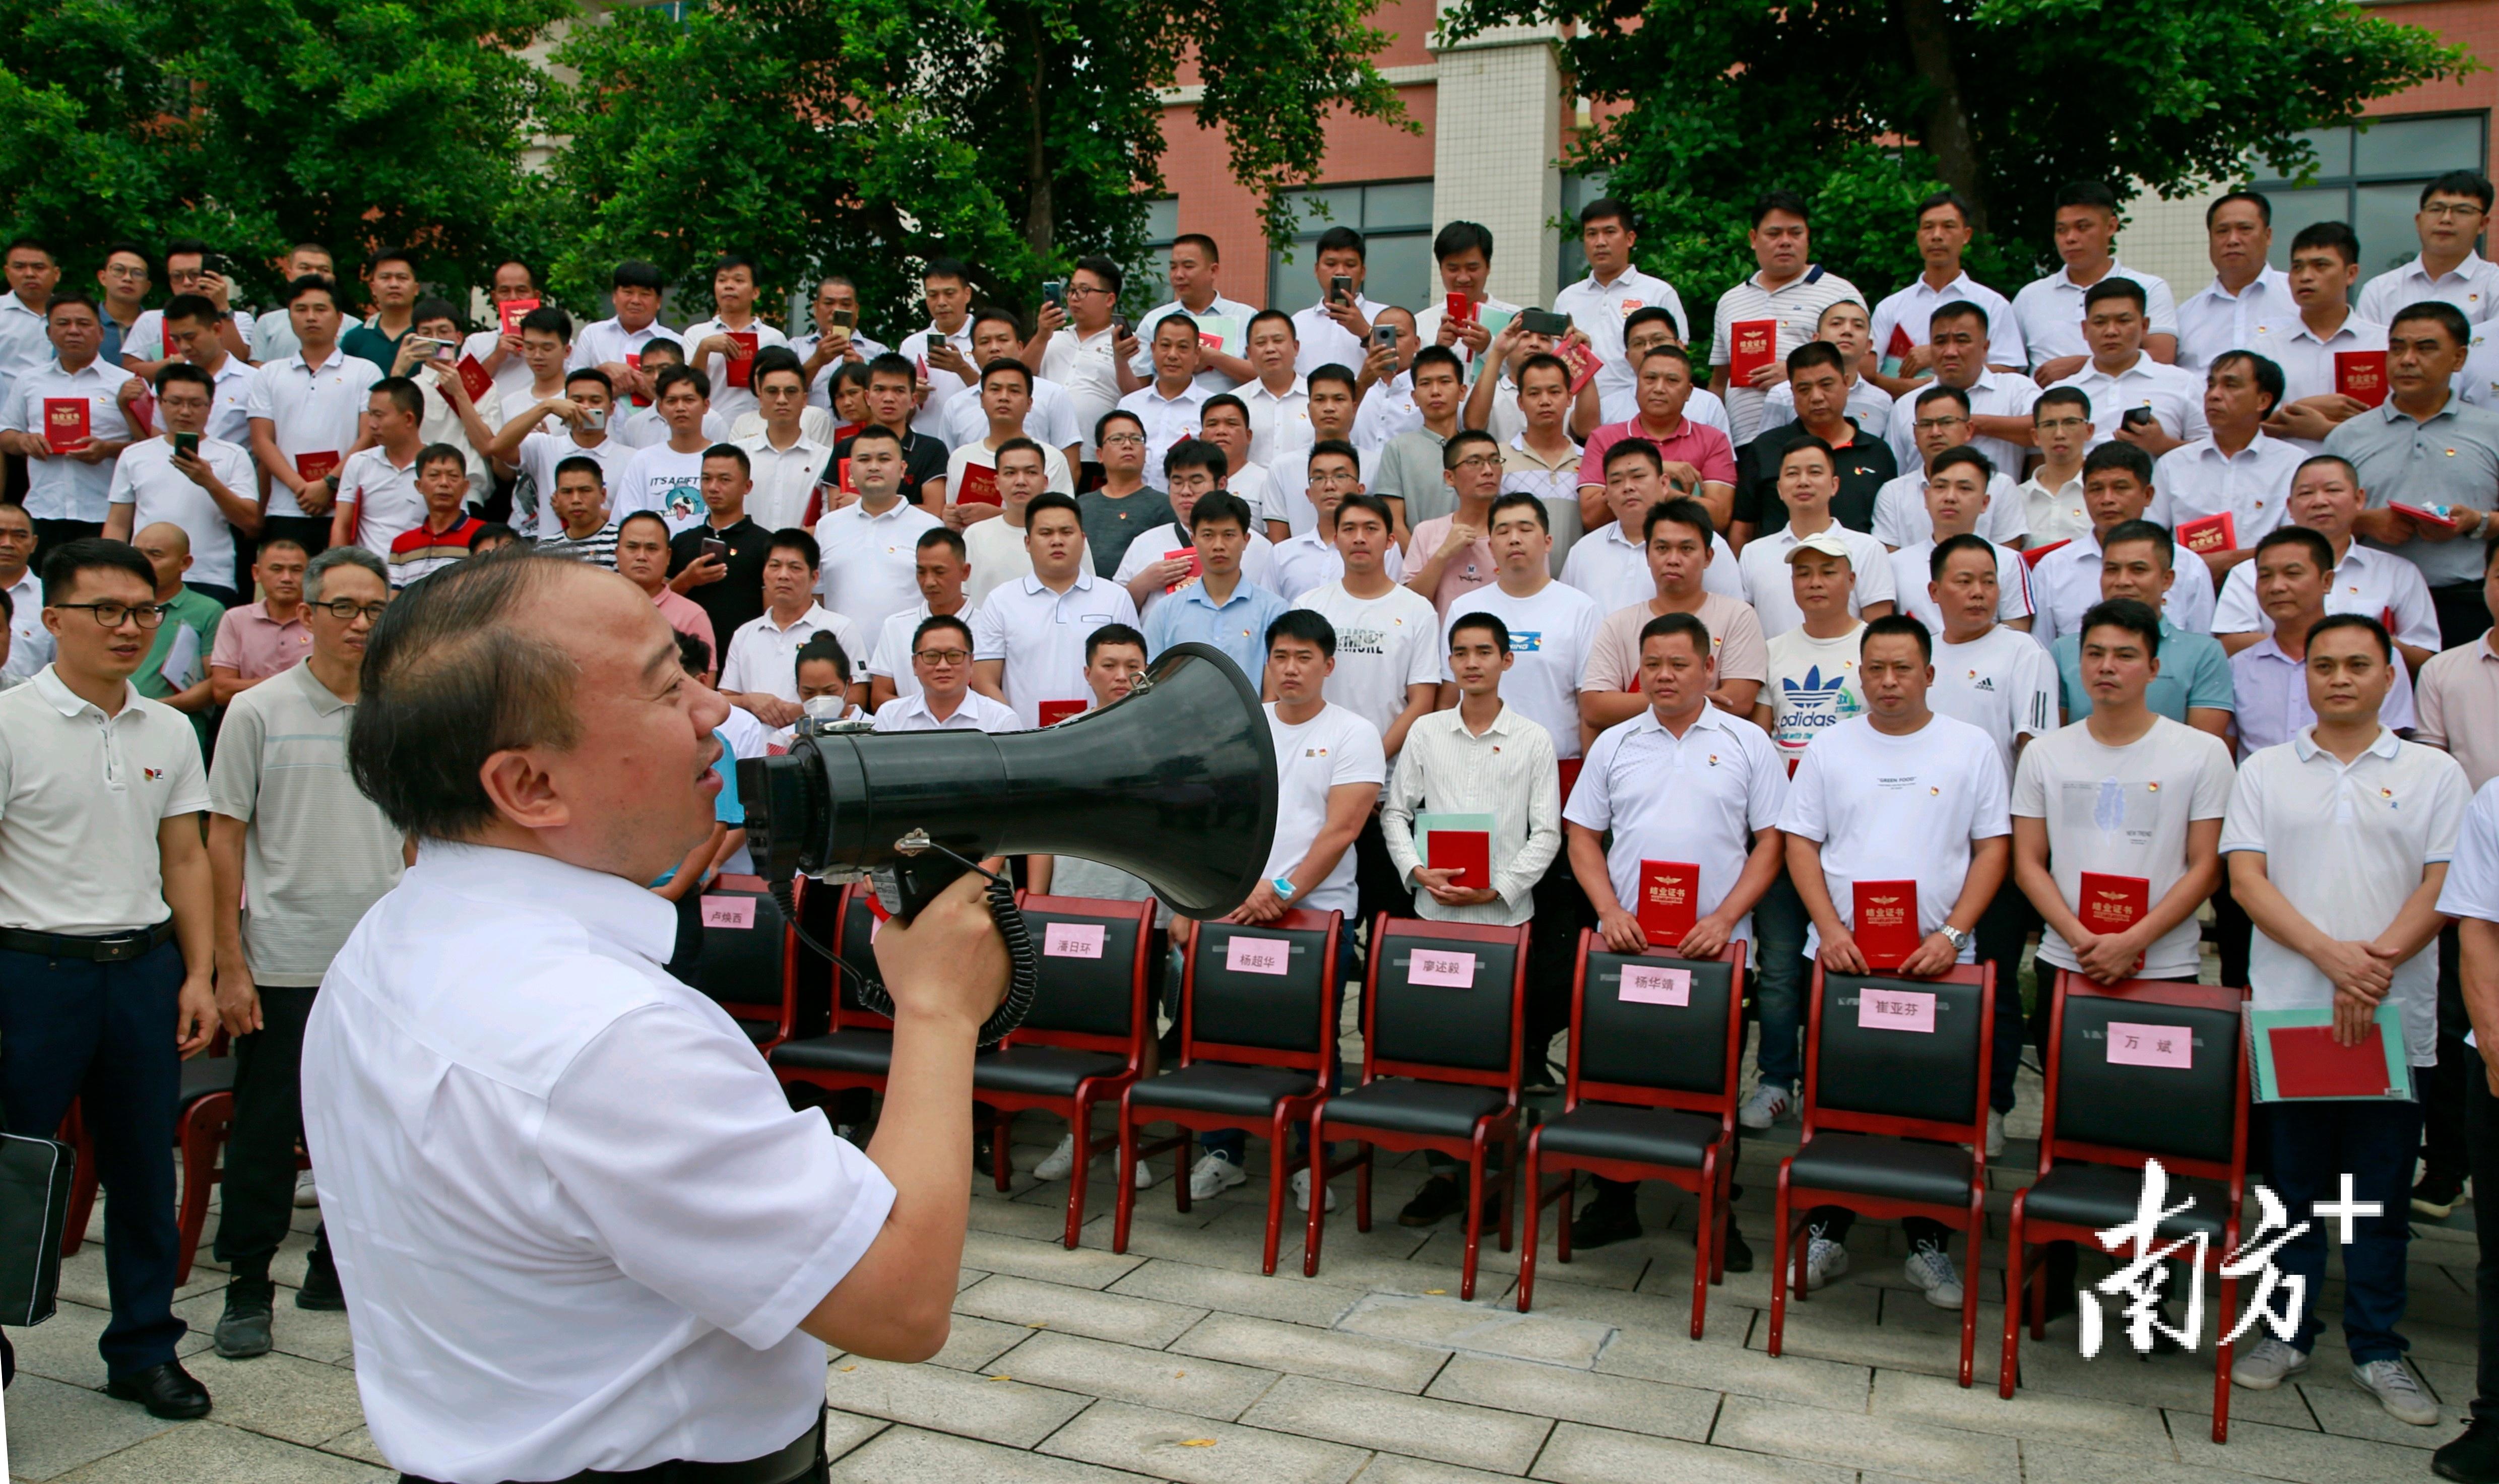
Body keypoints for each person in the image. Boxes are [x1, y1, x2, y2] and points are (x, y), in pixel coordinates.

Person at [302, 552, 1010, 1480]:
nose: (713, 711)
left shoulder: (389, 940)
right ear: (529, 787)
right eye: (665, 686)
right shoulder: (609, 1035)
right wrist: (938, 1010)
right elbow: (896, 1303)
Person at [2220, 613, 2463, 1425]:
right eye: (2322, 665)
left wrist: (2372, 967)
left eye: (2356, 664)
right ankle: (2285, 1331)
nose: (2338, 678)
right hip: (2292, 1013)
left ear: (2389, 675)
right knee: (2288, 1189)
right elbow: (2247, 883)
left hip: (2392, 1018)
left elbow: (2443, 884)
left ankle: (2376, 1345)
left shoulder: (2433, 774)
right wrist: (2332, 960)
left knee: (2378, 1188)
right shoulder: (2265, 772)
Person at [0, 538, 218, 1420]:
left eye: (145, 612)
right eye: (108, 613)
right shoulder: (10, 722)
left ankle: (143, 1346)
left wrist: (200, 972)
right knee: (12, 1163)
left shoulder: (167, 725)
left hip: (141, 972)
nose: (131, 629)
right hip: (30, 972)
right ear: (53, 620)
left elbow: (187, 857)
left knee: (139, 1168)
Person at [1777, 614, 2012, 1301]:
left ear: (1929, 674)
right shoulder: (1830, 746)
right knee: (1840, 1101)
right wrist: (1830, 929)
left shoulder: (1968, 748)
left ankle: (1927, 1243)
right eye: (1874, 668)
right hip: (1846, 960)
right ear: (1858, 675)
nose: (1886, 682)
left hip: (1935, 963)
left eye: (1901, 668)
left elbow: (1991, 847)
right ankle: (1826, 1231)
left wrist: (1952, 935)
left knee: (1926, 1104)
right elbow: (1800, 844)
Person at [204, 546, 402, 1361]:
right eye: (344, 608)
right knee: (265, 1128)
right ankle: (248, 1285)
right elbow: (223, 837)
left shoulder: (401, 713)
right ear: (307, 615)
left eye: (376, 610)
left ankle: (333, 1266)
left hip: (379, 966)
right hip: (283, 957)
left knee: (371, 1128)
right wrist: (229, 962)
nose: (360, 624)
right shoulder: (257, 711)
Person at [1563, 609, 1784, 1253]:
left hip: (1715, 949)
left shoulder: (1747, 742)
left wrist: (1723, 918)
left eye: (1679, 663)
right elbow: (1583, 835)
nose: (1664, 675)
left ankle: (1716, 1212)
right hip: (1630, 943)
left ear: (1709, 668)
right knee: (1619, 1076)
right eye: (1652, 664)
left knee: (1710, 1082)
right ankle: (1614, 1201)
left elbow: (1772, 841)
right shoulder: (1616, 742)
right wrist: (1608, 910)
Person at [1189, 608, 1384, 1208]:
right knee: (1226, 1030)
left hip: (1316, 911)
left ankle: (1309, 1159)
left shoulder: (1355, 732)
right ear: (1267, 663)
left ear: (1329, 664)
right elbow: (1219, 814)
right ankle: (1223, 1151)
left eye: (1305, 657)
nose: (1291, 668)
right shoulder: (1246, 727)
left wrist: (1283, 889)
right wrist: (1241, 889)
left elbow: (1342, 827)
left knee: (1310, 1038)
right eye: (1281, 657)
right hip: (1241, 904)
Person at [1379, 610, 1561, 1226]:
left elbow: (1547, 834)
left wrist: (1498, 889)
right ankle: (1442, 1175)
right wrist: (1417, 873)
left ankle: (1491, 1177)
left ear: (1507, 660)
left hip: (1503, 926)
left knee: (1495, 1052)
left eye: (1485, 651)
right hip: (1435, 915)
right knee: (1435, 1051)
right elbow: (1395, 814)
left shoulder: (1535, 738)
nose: (1473, 662)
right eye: (1461, 652)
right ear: (1450, 663)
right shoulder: (1427, 732)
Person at [1923, 531, 2058, 1147]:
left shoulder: (2022, 652)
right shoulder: (1920, 655)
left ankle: (1996, 1104)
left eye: (1988, 582)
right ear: (1934, 591)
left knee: (1998, 984)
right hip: (1922, 848)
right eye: (1964, 581)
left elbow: (2032, 751)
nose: (1978, 594)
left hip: (1993, 851)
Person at [2334, 301, 2499, 648]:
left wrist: (2477, 521)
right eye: (2396, 349)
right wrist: (2362, 522)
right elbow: (2309, 524)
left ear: (2459, 358)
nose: (2407, 360)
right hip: (2369, 603)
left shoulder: (2491, 430)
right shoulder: (2346, 437)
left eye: (2425, 348)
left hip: (2465, 602)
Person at [2210, 453, 2439, 669]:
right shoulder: (2250, 572)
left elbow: (2424, 657)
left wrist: (2370, 642)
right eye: (2306, 493)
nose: (2320, 502)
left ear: (2359, 499)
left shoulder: (2398, 572)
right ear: (2290, 507)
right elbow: (2230, 642)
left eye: (2332, 490)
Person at [1579, 497, 1769, 738]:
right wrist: (1689, 700)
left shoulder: (1737, 616)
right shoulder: (1618, 624)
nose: (1673, 559)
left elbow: (1739, 700)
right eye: (1662, 548)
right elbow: (1595, 708)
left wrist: (1646, 702)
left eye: (1686, 549)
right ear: (1647, 556)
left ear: (1709, 556)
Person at [2230, 526, 2418, 757]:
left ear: (2327, 580)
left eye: (2293, 573)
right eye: (2265, 576)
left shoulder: (2379, 658)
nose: (2277, 587)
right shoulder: (2238, 667)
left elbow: (2388, 749)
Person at [2047, 518, 2236, 740]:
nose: (2123, 581)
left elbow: (2204, 751)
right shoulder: (2064, 651)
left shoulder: (2203, 653)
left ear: (2167, 580)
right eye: (2112, 570)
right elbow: (2054, 742)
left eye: (2138, 570)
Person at [1709, 190, 1864, 444]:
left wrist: (1798, 375)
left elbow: (1863, 367)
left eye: (1796, 233)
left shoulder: (1840, 293)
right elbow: (1719, 383)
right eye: (1774, 234)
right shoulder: (1730, 301)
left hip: (1818, 441)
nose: (1785, 242)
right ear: (1753, 238)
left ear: (1808, 237)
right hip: (1745, 443)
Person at [246, 276, 386, 557]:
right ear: (290, 316)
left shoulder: (365, 372)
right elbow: (262, 442)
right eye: (301, 309)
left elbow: (370, 436)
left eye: (321, 309)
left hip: (345, 506)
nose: (311, 317)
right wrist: (303, 488)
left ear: (339, 318)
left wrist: (329, 484)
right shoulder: (269, 374)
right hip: (285, 507)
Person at [971, 491, 1138, 727]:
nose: (1057, 541)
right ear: (1028, 543)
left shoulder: (1115, 598)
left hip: (1102, 737)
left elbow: (1133, 673)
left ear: (1083, 539)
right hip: (1025, 742)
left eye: (1066, 532)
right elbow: (984, 679)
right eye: (1046, 533)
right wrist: (1014, 731)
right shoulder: (1001, 601)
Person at [2027, 442, 2216, 644]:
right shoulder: (2053, 568)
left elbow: (2200, 648)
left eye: (2120, 488)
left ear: (2148, 495)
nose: (2107, 500)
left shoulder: (2187, 566)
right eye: (2096, 489)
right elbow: (2043, 650)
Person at [103, 361, 259, 604]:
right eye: (175, 402)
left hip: (211, 578)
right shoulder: (135, 455)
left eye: (196, 404)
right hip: (145, 577)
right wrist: (111, 573)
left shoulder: (233, 454)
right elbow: (117, 523)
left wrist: (209, 482)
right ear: (159, 404)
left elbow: (250, 521)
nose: (185, 412)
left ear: (210, 407)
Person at [2150, 351, 2304, 588]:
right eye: (2211, 385)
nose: (2214, 395)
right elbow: (2151, 540)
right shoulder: (2173, 464)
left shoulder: (2293, 464)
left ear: (2263, 401)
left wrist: (2231, 561)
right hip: (2184, 587)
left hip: (2264, 587)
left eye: (2231, 385)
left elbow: (2297, 544)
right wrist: (2194, 567)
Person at [1, 293, 137, 548]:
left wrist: (108, 450)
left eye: (84, 324)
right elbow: (6, 434)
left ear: (100, 333)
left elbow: (151, 445)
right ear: (49, 332)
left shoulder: (127, 384)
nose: (74, 331)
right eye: (63, 324)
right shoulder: (29, 381)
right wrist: (24, 441)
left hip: (106, 513)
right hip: (43, 509)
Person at [2012, 180, 2181, 380]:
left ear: (2111, 227)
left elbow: (2161, 358)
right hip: (2048, 408)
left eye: (2082, 227)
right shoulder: (2030, 296)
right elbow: (2011, 366)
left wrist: (2079, 366)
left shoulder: (2149, 288)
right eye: (2062, 230)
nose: (2070, 238)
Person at [1734, 437, 1898, 636]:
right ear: (1779, 488)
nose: (1803, 482)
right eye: (1793, 474)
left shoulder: (1867, 549)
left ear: (1834, 485)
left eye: (1815, 472)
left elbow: (1879, 634)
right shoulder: (1754, 553)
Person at [1737, 340, 1897, 539]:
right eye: (1804, 389)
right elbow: (1743, 527)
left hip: (1860, 566)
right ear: (1793, 392)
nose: (1817, 397)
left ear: (1846, 383)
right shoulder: (1767, 448)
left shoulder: (1877, 452)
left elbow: (1892, 529)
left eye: (1826, 385)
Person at [1563, 438, 1744, 612]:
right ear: (1607, 494)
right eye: (1616, 481)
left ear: (1664, 483)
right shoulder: (1583, 551)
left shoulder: (1706, 543)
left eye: (1638, 476)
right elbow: (1567, 617)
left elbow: (1731, 616)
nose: (1628, 487)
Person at [1869, 191, 2026, 389]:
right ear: (1918, 237)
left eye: (1948, 227)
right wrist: (1922, 389)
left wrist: (1935, 357)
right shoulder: (1890, 308)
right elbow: (1869, 374)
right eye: (1928, 227)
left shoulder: (1993, 304)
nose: (1937, 236)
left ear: (1967, 235)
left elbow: (2008, 369)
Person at [2256, 220, 2387, 454]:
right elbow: (2242, 426)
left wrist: (2325, 430)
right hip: (2286, 483)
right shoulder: (2263, 351)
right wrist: (2299, 409)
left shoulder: (2385, 345)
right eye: (2297, 267)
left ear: (2351, 274)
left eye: (2321, 266)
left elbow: (2403, 425)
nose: (2306, 277)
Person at [1578, 346, 1739, 534]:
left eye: (1672, 380)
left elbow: (1719, 517)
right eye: (1650, 379)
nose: (1659, 388)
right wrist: (1658, 471)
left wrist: (1654, 485)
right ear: (1637, 385)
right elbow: (1591, 517)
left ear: (1688, 392)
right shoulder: (1603, 438)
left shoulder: (1713, 440)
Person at [1554, 197, 1688, 409]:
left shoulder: (1659, 292)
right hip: (1580, 411)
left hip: (1641, 410)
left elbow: (1678, 359)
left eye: (1609, 232)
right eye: (1591, 234)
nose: (1600, 242)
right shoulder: (1567, 298)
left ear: (1630, 238)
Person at [720, 529, 863, 729]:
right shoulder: (745, 633)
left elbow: (858, 695)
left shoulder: (841, 628)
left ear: (814, 578)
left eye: (795, 568)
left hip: (816, 745)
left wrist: (801, 712)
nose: (783, 576)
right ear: (764, 573)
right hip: (754, 749)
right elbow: (725, 698)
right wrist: (749, 701)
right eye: (775, 566)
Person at [1116, 436, 1276, 612]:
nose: (1185, 491)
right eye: (1177, 482)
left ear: (1221, 484)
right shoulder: (1144, 543)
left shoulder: (1259, 548)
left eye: (1196, 482)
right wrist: (1144, 583)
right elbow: (1115, 611)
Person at [2047, 278, 2207, 455]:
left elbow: (2212, 453)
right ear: (2085, 329)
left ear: (2145, 326)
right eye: (2100, 323)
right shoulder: (2060, 393)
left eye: (2123, 321)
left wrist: (2163, 445)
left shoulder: (2183, 383)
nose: (2111, 332)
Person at [1752, 531, 1869, 772]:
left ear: (1851, 580)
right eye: (1804, 574)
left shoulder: (1873, 646)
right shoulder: (1773, 650)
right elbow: (1760, 738)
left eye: (1828, 573)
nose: (1815, 583)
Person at [814, 422, 943, 640]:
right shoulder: (827, 526)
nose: (874, 467)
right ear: (851, 470)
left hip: (908, 659)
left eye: (884, 459)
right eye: (864, 460)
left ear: (903, 469)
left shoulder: (930, 528)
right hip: (842, 660)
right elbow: (817, 596)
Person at [1141, 491, 1288, 677]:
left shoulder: (1274, 611)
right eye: (1208, 535)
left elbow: (1275, 688)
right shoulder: (1166, 612)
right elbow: (1151, 681)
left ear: (1246, 540)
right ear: (1194, 540)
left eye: (1229, 535)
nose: (1218, 545)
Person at [1867, 383, 2029, 551]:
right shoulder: (1894, 493)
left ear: (1968, 430)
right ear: (1915, 434)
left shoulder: (2000, 486)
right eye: (1926, 424)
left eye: (1946, 422)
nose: (1935, 432)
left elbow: (2008, 558)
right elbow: (1890, 562)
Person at [1889, 451, 2033, 637]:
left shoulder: (2009, 561)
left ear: (1985, 503)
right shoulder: (1895, 563)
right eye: (1940, 487)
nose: (1950, 497)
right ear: (1926, 497)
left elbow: (2017, 637)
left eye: (1964, 489)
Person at [489, 366, 633, 542]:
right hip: (552, 558)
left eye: (595, 401)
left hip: (607, 558)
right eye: (577, 400)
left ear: (612, 408)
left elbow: (635, 519)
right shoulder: (544, 446)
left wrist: (583, 511)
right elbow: (498, 447)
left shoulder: (632, 458)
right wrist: (546, 406)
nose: (585, 407)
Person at [2356, 171, 2499, 329]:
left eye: (2462, 211)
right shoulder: (2380, 291)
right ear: (2418, 221)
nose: (2446, 219)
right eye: (2436, 209)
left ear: (2483, 225)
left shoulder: (2493, 285)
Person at [666, 444, 776, 644]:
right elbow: (658, 605)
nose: (713, 487)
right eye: (706, 479)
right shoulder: (682, 542)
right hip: (688, 658)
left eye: (725, 480)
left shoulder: (766, 545)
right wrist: (687, 580)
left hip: (744, 655)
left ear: (747, 486)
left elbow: (773, 615)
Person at [1272, 440, 1407, 602]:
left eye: (1340, 476)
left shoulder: (1383, 549)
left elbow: (1391, 603)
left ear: (1360, 490)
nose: (1329, 486)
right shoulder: (1282, 554)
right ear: (1309, 494)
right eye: (1319, 478)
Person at [128, 523, 223, 750]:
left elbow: (217, 683)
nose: (143, 563)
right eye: (137, 553)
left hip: (176, 729)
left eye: (155, 555)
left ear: (185, 563)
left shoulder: (207, 611)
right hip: (115, 722)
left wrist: (156, 707)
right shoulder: (116, 606)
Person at [1493, 350, 1589, 569]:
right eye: (1534, 393)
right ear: (1520, 401)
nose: (1545, 401)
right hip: (1515, 582)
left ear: (1570, 398)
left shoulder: (1589, 461)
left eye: (1554, 392)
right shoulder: (1498, 459)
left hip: (1575, 585)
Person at [2177, 191, 2292, 369]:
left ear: (2268, 236)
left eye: (2245, 229)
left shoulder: (2298, 299)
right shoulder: (2185, 317)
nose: (2232, 240)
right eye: (2222, 231)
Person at [946, 359, 1075, 516]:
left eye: (1014, 391)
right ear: (982, 400)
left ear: (1029, 404)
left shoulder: (1052, 459)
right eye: (995, 390)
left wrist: (996, 517)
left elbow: (1061, 520)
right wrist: (950, 521)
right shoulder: (960, 457)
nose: (1004, 398)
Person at [1752, 298, 1893, 439]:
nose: (1847, 331)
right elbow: (1767, 450)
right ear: (1816, 339)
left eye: (1858, 326)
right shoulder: (1782, 395)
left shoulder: (1882, 402)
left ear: (1869, 346)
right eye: (1836, 324)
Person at [825, 353, 948, 512]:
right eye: (880, 390)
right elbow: (836, 512)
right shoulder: (845, 448)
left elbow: (934, 511)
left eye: (899, 391)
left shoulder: (931, 450)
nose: (889, 398)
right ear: (868, 397)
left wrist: (867, 504)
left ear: (913, 400)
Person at [1037, 256, 1130, 464]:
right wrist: (1042, 335)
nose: (1074, 298)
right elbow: (1021, 376)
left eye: (1084, 290)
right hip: (1041, 454)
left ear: (1110, 299)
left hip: (1093, 456)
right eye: (1071, 290)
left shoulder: (1126, 344)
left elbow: (1137, 397)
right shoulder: (1051, 339)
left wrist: (1122, 360)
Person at [963, 439, 1078, 608]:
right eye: (1010, 473)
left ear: (1045, 482)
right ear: (996, 482)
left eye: (1031, 472)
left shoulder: (1068, 536)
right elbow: (962, 596)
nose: (1021, 481)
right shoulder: (975, 535)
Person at [868, 528, 973, 709]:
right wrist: (922, 721)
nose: (929, 582)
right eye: (921, 572)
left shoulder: (989, 624)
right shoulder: (895, 626)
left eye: (939, 572)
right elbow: (879, 696)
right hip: (909, 735)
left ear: (965, 572)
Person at [1370, 345, 1470, 534]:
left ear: (1462, 391)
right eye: (1425, 384)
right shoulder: (1398, 449)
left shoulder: (1477, 448)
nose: (1435, 391)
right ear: (1414, 397)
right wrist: (1422, 563)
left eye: (1445, 381)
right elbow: (1395, 523)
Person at [681, 252, 789, 425]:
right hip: (707, 426)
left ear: (755, 292)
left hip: (759, 427)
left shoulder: (774, 338)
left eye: (739, 281)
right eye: (722, 281)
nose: (729, 286)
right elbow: (686, 386)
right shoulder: (696, 334)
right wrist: (705, 348)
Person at [1402, 427, 1500, 614]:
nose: (1488, 470)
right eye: (1474, 462)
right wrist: (1443, 554)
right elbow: (1409, 605)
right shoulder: (1426, 532)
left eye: (1495, 461)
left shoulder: (1516, 533)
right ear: (1450, 477)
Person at [331, 377, 430, 556]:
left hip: (425, 575)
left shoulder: (439, 464)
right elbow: (342, 525)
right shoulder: (359, 462)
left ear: (409, 419)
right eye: (370, 414)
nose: (372, 424)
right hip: (371, 575)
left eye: (379, 415)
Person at [619, 364, 724, 533]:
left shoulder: (724, 459)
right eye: (671, 401)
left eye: (689, 400)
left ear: (706, 405)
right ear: (661, 407)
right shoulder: (643, 460)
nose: (680, 408)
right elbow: (627, 517)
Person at [874, 612, 1020, 733]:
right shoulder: (890, 716)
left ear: (971, 663)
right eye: (931, 656)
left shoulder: (1000, 720)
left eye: (954, 656)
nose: (943, 666)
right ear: (915, 664)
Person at [734, 354, 832, 532]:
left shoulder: (825, 459)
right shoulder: (739, 455)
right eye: (772, 392)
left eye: (791, 392)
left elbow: (829, 522)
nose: (782, 400)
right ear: (761, 398)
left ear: (804, 400)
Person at [208, 539, 311, 702]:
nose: (287, 578)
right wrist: (292, 684)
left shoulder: (322, 621)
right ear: (256, 573)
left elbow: (332, 686)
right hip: (249, 718)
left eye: (297, 570)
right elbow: (222, 691)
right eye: (277, 569)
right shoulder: (236, 619)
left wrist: (255, 686)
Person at [1078, 410, 1176, 577]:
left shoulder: (1164, 506)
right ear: (1099, 455)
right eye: (1117, 439)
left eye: (1136, 439)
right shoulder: (1081, 505)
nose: (1128, 445)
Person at [155, 292, 254, 446]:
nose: (184, 347)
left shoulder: (254, 381)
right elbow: (158, 439)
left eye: (190, 337)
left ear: (216, 330)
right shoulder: (168, 382)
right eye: (176, 339)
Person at [615, 509, 717, 658]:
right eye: (632, 547)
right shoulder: (594, 608)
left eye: (652, 548)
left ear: (668, 556)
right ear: (617, 553)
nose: (642, 556)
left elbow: (702, 680)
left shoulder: (692, 616)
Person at [386, 444, 488, 586]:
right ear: (419, 486)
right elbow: (394, 599)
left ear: (465, 487)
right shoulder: (402, 545)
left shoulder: (484, 536)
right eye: (434, 476)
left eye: (453, 477)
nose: (444, 483)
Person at [613, 339, 732, 453]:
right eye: (648, 371)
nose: (656, 378)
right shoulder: (634, 425)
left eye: (664, 368)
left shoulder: (712, 421)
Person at [2019, 386, 2096, 548]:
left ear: (2089, 431)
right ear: (2035, 436)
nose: (2060, 434)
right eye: (2049, 425)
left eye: (2070, 423)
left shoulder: (2103, 494)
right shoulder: (2018, 497)